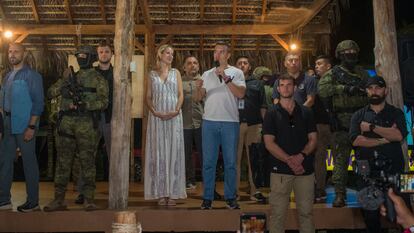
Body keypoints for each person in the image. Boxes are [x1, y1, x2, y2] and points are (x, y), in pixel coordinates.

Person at [44, 45, 108, 211]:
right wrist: (64, 84)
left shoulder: (99, 79)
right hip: (66, 125)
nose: (81, 57)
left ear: (91, 57)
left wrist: (85, 104)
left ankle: (89, 199)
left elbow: (104, 102)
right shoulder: (69, 76)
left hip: (87, 125)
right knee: (63, 163)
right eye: (78, 55)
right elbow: (50, 93)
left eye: (84, 55)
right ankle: (58, 199)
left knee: (87, 163)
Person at [349, 75, 407, 233]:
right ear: (366, 91)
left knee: (402, 216)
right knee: (371, 219)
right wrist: (386, 138)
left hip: (394, 173)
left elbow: (399, 136)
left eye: (378, 87)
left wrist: (371, 128)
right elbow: (357, 141)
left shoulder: (396, 113)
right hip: (367, 176)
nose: (374, 91)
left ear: (385, 91)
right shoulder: (357, 116)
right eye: (370, 88)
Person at [263, 74, 317, 233]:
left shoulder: (306, 112)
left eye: (289, 85)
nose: (286, 88)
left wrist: (300, 157)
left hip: (305, 170)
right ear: (278, 89)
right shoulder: (271, 113)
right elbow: (269, 143)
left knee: (306, 213)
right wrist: (289, 160)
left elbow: (313, 139)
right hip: (280, 171)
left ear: (294, 88)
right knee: (277, 215)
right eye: (282, 85)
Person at [318, 40, 369, 207]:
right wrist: (344, 89)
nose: (351, 54)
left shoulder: (362, 73)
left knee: (364, 160)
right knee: (341, 160)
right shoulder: (334, 73)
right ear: (340, 55)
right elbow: (323, 90)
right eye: (347, 52)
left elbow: (371, 89)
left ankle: (366, 190)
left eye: (353, 51)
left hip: (361, 122)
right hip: (341, 122)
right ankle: (340, 194)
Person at [195, 41, 246, 210]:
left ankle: (230, 197)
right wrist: (198, 89)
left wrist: (226, 78)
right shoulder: (206, 74)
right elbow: (198, 98)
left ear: (228, 55)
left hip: (230, 122)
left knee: (231, 162)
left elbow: (240, 94)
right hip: (209, 122)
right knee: (209, 162)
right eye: (216, 52)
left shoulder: (237, 72)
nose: (218, 54)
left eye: (221, 51)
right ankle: (208, 198)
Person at [0, 43, 44, 212]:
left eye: (16, 51)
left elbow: (38, 103)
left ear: (23, 54)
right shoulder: (7, 76)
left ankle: (33, 202)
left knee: (29, 162)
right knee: (5, 162)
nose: (12, 54)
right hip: (8, 125)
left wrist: (31, 126)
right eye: (10, 51)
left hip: (25, 124)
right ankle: (4, 200)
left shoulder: (32, 76)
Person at [144, 44, 186, 206]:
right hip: (157, 118)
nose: (170, 56)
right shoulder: (152, 74)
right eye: (167, 53)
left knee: (174, 151)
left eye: (172, 54)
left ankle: (174, 193)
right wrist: (155, 112)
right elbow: (148, 97)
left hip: (174, 117)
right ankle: (160, 192)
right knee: (159, 152)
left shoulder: (176, 73)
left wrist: (176, 110)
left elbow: (181, 94)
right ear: (160, 54)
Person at [73, 40, 114, 205]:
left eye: (106, 51)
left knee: (115, 157)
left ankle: (116, 189)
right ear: (97, 55)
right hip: (91, 119)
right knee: (87, 156)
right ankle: (83, 192)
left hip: (112, 119)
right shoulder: (89, 73)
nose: (104, 54)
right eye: (101, 52)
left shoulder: (118, 74)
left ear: (112, 54)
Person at [235, 56, 266, 203]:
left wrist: (264, 125)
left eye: (245, 63)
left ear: (249, 66)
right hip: (235, 125)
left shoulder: (258, 83)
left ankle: (255, 190)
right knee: (235, 160)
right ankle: (234, 192)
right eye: (239, 63)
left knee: (254, 159)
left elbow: (263, 106)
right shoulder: (231, 82)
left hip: (254, 125)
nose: (242, 65)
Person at [181, 55, 203, 190]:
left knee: (204, 153)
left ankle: (208, 180)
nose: (192, 65)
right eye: (189, 63)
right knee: (186, 154)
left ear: (198, 66)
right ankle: (189, 180)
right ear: (184, 67)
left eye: (195, 63)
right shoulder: (179, 82)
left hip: (202, 123)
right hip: (184, 123)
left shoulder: (205, 81)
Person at [313, 55, 333, 203]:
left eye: (320, 64)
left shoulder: (335, 82)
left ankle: (339, 186)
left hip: (336, 125)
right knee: (319, 157)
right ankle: (320, 188)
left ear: (328, 66)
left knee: (340, 157)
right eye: (316, 64)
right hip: (319, 125)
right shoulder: (314, 82)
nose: (316, 66)